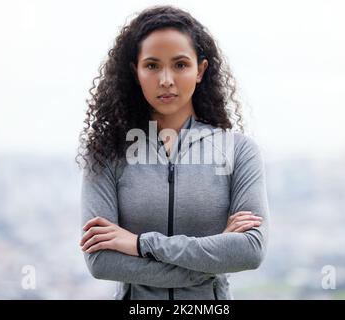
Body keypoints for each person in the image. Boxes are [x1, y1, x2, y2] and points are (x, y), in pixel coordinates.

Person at [76, 5, 270, 300]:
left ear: (200, 70)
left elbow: (251, 251)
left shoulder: (239, 151)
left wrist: (140, 244)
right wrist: (213, 258)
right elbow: (101, 261)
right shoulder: (106, 152)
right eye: (152, 65)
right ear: (135, 72)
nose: (166, 79)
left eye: (180, 65)